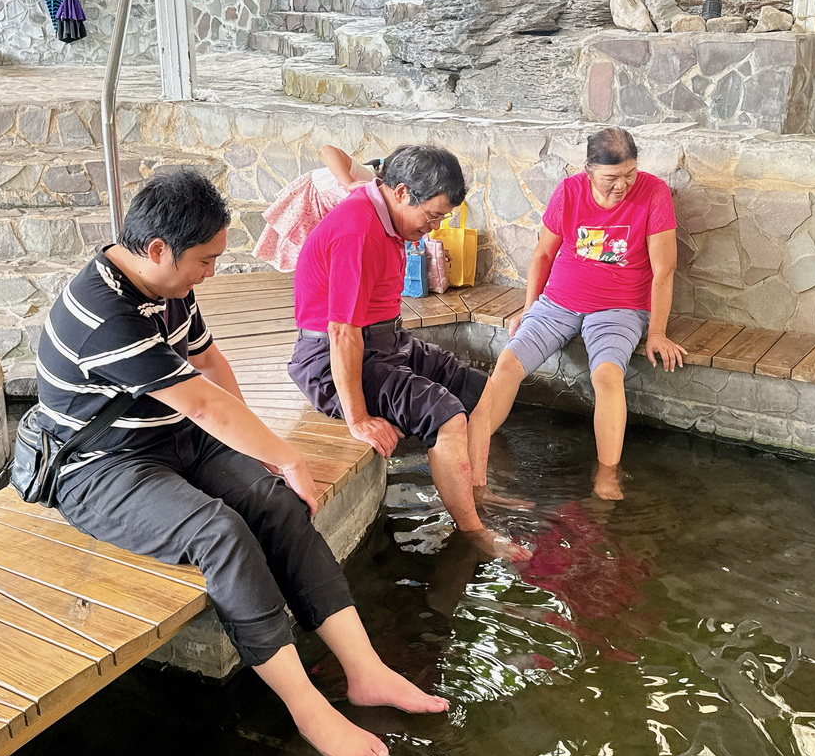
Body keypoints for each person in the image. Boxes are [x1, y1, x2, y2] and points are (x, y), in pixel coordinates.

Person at [34, 168, 447, 756]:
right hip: (100, 469)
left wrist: (263, 454)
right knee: (219, 534)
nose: (213, 272)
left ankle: (365, 671)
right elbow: (200, 402)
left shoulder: (166, 282)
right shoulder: (102, 313)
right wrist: (286, 453)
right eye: (207, 260)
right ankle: (307, 708)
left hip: (170, 439)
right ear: (158, 251)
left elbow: (206, 361)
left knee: (277, 503)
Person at [287, 145, 531, 561]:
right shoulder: (356, 231)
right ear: (400, 192)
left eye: (443, 217)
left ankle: (476, 489)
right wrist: (359, 418)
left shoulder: (381, 204)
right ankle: (472, 531)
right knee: (447, 417)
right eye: (433, 216)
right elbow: (342, 332)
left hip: (385, 342)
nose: (434, 228)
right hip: (331, 360)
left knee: (481, 391)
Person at [470, 127, 686, 501]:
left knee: (606, 376)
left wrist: (656, 331)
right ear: (588, 170)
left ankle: (606, 474)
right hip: (558, 301)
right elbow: (542, 255)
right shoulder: (569, 192)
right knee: (507, 363)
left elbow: (664, 269)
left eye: (629, 174)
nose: (622, 185)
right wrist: (530, 306)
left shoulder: (653, 192)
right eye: (611, 178)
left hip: (620, 308)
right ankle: (473, 460)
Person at [252, 146, 379, 272]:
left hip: (327, 215)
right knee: (296, 251)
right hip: (309, 201)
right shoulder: (369, 179)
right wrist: (349, 184)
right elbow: (328, 150)